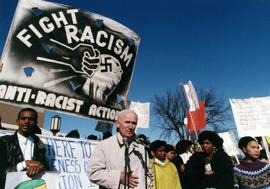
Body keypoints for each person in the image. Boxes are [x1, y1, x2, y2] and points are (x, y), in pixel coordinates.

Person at [88, 109, 152, 189]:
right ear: (118, 124)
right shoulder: (104, 145)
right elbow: (93, 173)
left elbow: (149, 174)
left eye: (134, 123)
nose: (131, 126)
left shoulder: (141, 147)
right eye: (127, 122)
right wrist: (118, 177)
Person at [0, 108, 50, 189]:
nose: (26, 121)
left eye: (31, 119)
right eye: (23, 118)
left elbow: (47, 168)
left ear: (36, 123)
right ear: (17, 121)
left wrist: (41, 167)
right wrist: (24, 164)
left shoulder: (40, 145)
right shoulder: (3, 142)